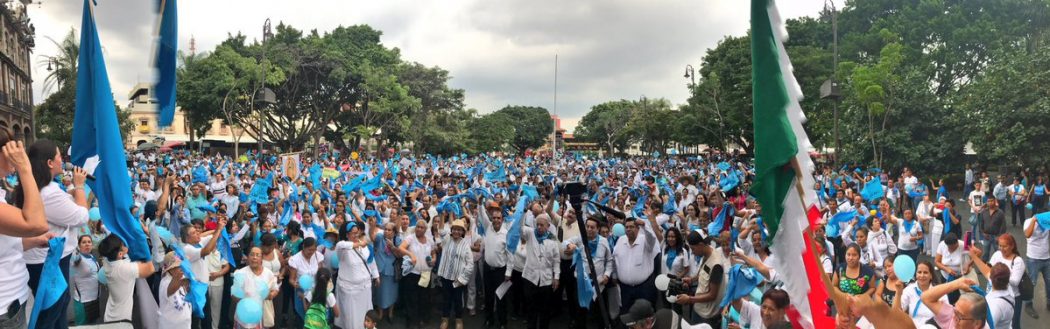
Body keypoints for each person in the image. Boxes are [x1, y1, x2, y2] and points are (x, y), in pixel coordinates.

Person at [22, 140, 89, 329]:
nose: (63, 160)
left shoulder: (39, 186)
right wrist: (80, 186)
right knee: (52, 310)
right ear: (50, 163)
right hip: (48, 260)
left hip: (46, 258)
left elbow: (65, 202)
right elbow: (81, 216)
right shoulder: (48, 192)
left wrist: (73, 189)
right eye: (60, 156)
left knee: (58, 307)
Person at [511, 212, 561, 329]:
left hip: (546, 280)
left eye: (542, 225)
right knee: (531, 310)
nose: (539, 227)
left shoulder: (553, 240)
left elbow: (556, 260)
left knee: (545, 311)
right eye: (537, 224)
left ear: (548, 226)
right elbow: (519, 227)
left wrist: (556, 277)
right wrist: (522, 213)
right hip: (530, 279)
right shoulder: (530, 234)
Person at [562, 216, 614, 328]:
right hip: (581, 283)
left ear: (598, 229)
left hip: (599, 284)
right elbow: (565, 241)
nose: (589, 229)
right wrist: (570, 246)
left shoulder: (604, 242)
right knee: (581, 312)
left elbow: (609, 261)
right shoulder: (580, 239)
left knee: (599, 313)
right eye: (587, 226)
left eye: (592, 227)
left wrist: (607, 275)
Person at [969, 233, 1025, 329]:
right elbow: (988, 270)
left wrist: (997, 274)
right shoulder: (997, 255)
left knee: (1015, 323)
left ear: (1012, 246)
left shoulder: (1018, 261)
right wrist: (975, 257)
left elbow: (1015, 281)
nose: (1001, 249)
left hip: (1016, 297)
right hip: (996, 292)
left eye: (1005, 246)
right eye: (1000, 246)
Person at [612, 215, 664, 318]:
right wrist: (614, 275)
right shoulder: (620, 240)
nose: (628, 229)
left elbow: (652, 238)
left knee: (646, 316)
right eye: (626, 227)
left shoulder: (645, 240)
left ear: (637, 228)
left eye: (631, 227)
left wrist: (645, 225)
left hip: (644, 288)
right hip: (625, 289)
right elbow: (615, 259)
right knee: (628, 316)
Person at [98, 234, 156, 322]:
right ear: (120, 254)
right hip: (120, 320)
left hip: (110, 314)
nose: (126, 244)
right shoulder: (124, 268)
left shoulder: (107, 261)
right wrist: (142, 242)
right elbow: (150, 269)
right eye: (124, 244)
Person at [674, 230, 726, 328]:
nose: (692, 253)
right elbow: (704, 273)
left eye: (693, 249)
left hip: (707, 315)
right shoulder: (707, 252)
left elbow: (712, 295)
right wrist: (692, 279)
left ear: (701, 244)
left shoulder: (716, 265)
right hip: (699, 306)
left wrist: (689, 299)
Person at [182, 215, 226, 329]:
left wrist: (219, 226)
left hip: (203, 287)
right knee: (194, 321)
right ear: (187, 238)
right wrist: (218, 230)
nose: (198, 233)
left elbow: (215, 236)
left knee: (206, 319)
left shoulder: (198, 242)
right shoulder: (187, 248)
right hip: (195, 289)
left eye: (198, 231)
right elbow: (206, 251)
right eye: (194, 232)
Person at [335, 221, 379, 329]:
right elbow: (340, 245)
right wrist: (358, 244)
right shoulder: (343, 248)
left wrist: (376, 276)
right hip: (350, 290)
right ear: (347, 234)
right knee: (351, 317)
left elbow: (370, 261)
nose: (356, 235)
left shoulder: (364, 246)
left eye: (357, 232)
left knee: (365, 314)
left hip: (365, 288)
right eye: (353, 233)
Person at [436, 219, 475, 329]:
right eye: (455, 229)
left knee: (458, 300)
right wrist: (442, 214)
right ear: (451, 230)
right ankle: (445, 319)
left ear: (463, 232)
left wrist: (462, 279)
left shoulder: (465, 245)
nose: (456, 232)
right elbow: (441, 231)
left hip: (458, 279)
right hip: (446, 277)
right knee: (446, 299)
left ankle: (459, 320)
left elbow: (470, 264)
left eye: (459, 230)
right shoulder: (447, 239)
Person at [398, 219, 435, 329]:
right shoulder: (411, 238)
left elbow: (433, 252)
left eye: (421, 227)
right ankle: (412, 322)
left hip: (425, 274)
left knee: (423, 298)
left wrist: (434, 259)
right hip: (412, 274)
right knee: (411, 299)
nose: (418, 229)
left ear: (425, 229)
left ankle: (421, 319)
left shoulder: (429, 240)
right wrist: (411, 254)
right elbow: (400, 248)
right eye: (417, 227)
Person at [232, 247, 280, 329]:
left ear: (262, 258)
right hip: (243, 317)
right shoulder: (240, 273)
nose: (254, 257)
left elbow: (275, 289)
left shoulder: (268, 274)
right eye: (252, 255)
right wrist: (240, 299)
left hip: (261, 317)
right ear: (248, 257)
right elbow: (234, 296)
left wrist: (270, 295)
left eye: (258, 255)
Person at [479, 204, 509, 329]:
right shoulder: (488, 227)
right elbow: (482, 214)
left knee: (501, 297)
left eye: (498, 218)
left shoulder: (506, 234)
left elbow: (510, 254)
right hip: (487, 269)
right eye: (494, 218)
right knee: (489, 297)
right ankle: (489, 319)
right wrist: (480, 203)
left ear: (502, 219)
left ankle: (502, 322)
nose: (496, 220)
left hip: (501, 271)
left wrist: (509, 272)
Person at [921, 277, 986, 329]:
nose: (954, 318)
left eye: (960, 316)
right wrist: (957, 283)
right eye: (955, 311)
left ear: (977, 324)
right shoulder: (951, 315)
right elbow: (926, 298)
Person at [288, 237, 325, 326]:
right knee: (304, 317)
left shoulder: (317, 256)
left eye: (313, 250)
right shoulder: (295, 259)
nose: (311, 252)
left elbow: (321, 272)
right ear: (303, 247)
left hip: (315, 290)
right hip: (302, 291)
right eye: (309, 250)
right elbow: (291, 280)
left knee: (315, 316)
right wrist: (295, 284)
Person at [370, 222, 401, 323]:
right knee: (379, 293)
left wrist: (392, 247)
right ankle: (380, 313)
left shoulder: (398, 240)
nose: (386, 231)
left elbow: (399, 256)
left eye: (389, 230)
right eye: (385, 229)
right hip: (379, 270)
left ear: (394, 232)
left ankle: (390, 313)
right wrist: (372, 225)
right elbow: (372, 238)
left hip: (391, 271)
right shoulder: (380, 237)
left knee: (391, 293)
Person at [896, 260, 942, 327]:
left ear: (931, 276)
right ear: (916, 274)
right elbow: (897, 311)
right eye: (919, 272)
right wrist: (898, 293)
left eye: (925, 272)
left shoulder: (938, 292)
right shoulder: (909, 289)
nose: (922, 275)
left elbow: (945, 317)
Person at [1023, 212, 1050, 316]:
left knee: (1049, 282)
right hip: (1033, 259)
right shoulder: (1028, 222)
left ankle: (1049, 302)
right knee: (1032, 282)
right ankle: (1028, 305)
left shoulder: (1048, 222)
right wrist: (1034, 220)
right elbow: (1027, 234)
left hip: (1047, 258)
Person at [158, 251, 193, 329]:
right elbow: (171, 290)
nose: (183, 268)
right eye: (179, 266)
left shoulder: (183, 278)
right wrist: (180, 279)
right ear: (171, 269)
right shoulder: (165, 282)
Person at [71, 235, 101, 325]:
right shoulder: (77, 258)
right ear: (79, 246)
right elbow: (72, 255)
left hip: (95, 299)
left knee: (93, 324)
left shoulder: (92, 256)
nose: (87, 244)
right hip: (83, 301)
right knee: (82, 326)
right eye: (84, 242)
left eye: (89, 242)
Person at [934, 233, 970, 304]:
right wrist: (947, 269)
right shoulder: (942, 245)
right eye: (949, 247)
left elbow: (975, 256)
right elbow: (937, 262)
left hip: (959, 276)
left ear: (957, 243)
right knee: (946, 296)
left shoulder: (963, 245)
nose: (951, 249)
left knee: (958, 297)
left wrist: (968, 266)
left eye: (953, 247)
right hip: (945, 276)